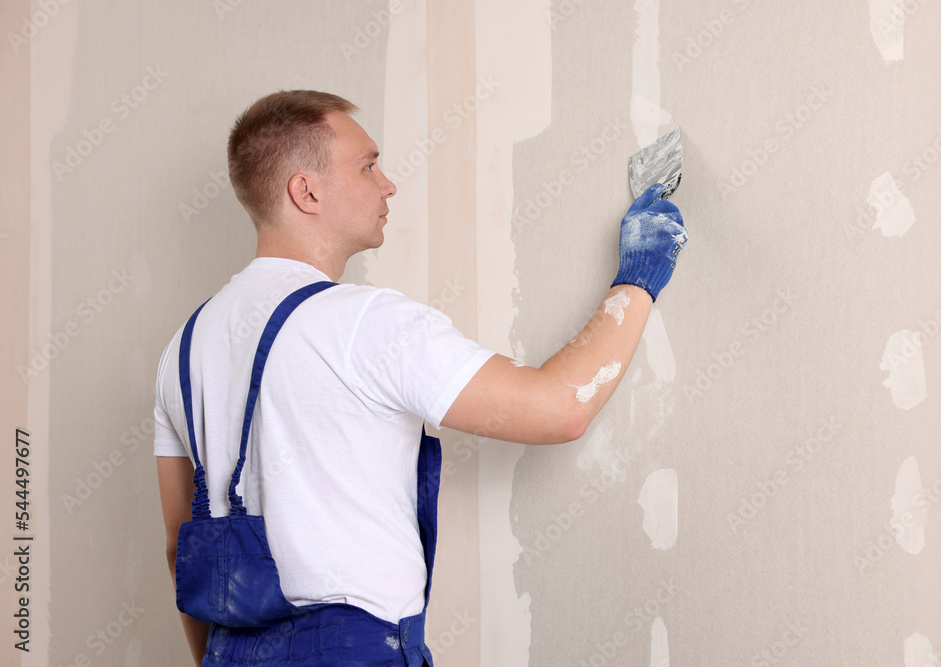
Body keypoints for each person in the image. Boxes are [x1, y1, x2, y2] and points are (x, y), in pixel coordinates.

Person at [153, 90, 687, 666]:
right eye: (367, 165)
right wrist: (639, 274)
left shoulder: (183, 348)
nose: (388, 184)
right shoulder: (365, 322)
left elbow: (178, 548)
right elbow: (559, 408)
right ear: (305, 191)